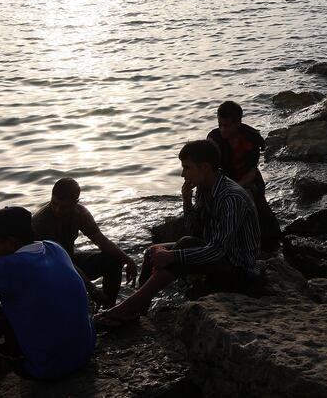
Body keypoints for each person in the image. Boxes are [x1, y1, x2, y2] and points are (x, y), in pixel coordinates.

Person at [94, 140, 260, 328]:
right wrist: (187, 203)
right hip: (219, 258)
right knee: (153, 252)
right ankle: (138, 311)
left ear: (205, 167)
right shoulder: (205, 191)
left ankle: (128, 308)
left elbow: (217, 250)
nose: (183, 174)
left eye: (187, 168)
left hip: (240, 269)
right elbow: (197, 231)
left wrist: (174, 255)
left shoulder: (231, 198)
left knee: (182, 246)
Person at [0, 206, 95, 379]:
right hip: (84, 353)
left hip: (46, 369)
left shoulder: (7, 267)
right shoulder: (54, 248)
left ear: (12, 242)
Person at [32, 178, 137, 308]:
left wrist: (128, 260)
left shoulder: (80, 213)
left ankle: (109, 310)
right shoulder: (41, 222)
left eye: (64, 207)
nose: (58, 210)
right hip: (49, 270)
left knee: (113, 261)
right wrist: (92, 289)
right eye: (54, 204)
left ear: (75, 203)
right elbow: (60, 260)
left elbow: (101, 240)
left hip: (69, 259)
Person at [207, 101, 281, 251]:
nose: (222, 129)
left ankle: (253, 241)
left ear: (238, 123)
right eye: (220, 124)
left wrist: (236, 188)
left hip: (248, 180)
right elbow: (210, 168)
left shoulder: (251, 138)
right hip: (224, 180)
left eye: (227, 125)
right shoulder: (214, 138)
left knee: (247, 196)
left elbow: (252, 171)